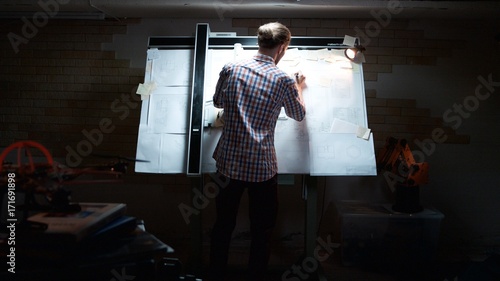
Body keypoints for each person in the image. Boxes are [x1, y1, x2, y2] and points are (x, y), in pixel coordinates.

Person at [208, 22, 306, 281]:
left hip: (228, 164)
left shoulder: (232, 68)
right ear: (282, 47)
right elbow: (298, 115)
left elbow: (218, 101)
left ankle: (216, 274)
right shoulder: (284, 79)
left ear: (260, 42)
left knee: (223, 225)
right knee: (262, 231)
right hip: (261, 168)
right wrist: (299, 88)